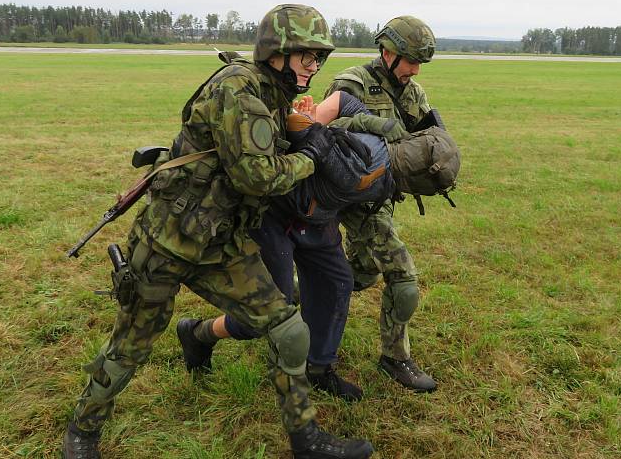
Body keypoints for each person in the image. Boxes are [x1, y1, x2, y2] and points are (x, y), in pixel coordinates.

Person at [62, 4, 374, 459]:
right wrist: (313, 157)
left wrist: (307, 132)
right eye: (305, 54)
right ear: (276, 51)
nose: (314, 65)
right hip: (167, 243)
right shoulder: (239, 90)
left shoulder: (273, 94)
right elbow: (258, 177)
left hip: (221, 246)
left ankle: (306, 440)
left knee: (289, 331)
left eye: (319, 57)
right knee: (129, 347)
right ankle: (82, 430)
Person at [177, 91, 459, 401]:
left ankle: (318, 368)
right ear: (417, 178)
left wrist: (361, 121)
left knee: (337, 283)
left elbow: (343, 100)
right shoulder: (362, 171)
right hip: (275, 214)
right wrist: (306, 120)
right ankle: (198, 333)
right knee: (271, 309)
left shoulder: (382, 147)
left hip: (314, 216)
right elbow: (302, 130)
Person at [324, 16, 443, 392]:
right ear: (387, 51)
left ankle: (290, 296)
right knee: (403, 277)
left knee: (361, 273)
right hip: (355, 199)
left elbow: (424, 138)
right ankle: (396, 358)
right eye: (409, 59)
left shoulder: (413, 91)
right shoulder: (351, 84)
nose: (414, 69)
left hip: (384, 196)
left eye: (419, 62)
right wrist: (371, 127)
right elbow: (322, 136)